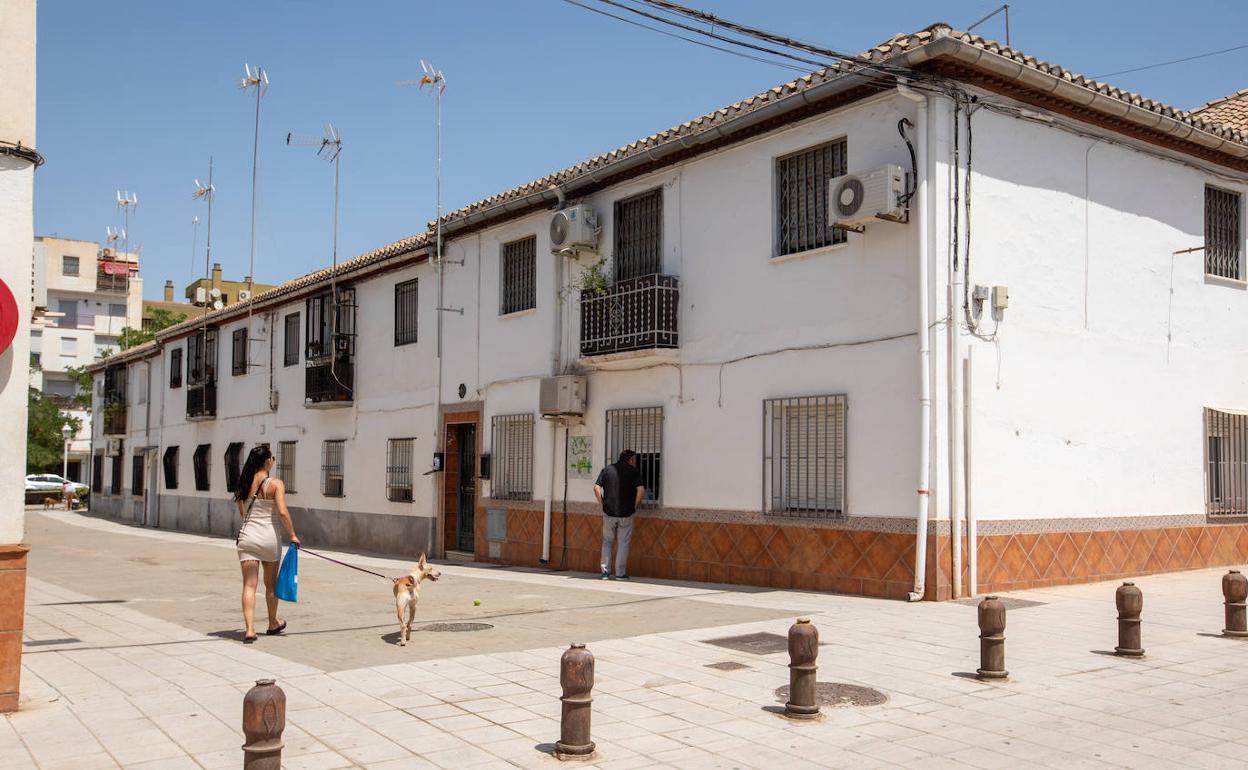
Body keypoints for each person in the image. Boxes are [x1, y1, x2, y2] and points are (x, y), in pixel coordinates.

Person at [233, 445, 299, 643]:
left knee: (249, 585)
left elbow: (242, 512)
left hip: (247, 537)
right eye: (272, 458)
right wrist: (293, 535)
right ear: (268, 461)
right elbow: (282, 512)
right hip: (269, 538)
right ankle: (272, 622)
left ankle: (250, 630)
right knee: (270, 586)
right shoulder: (275, 484)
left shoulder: (243, 484)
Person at [594, 449, 645, 580]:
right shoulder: (634, 472)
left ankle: (605, 572)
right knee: (623, 543)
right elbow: (641, 490)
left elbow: (596, 487)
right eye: (634, 459)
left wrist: (602, 504)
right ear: (631, 459)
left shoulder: (607, 470)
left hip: (609, 512)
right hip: (626, 514)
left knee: (607, 542)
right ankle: (620, 573)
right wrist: (634, 505)